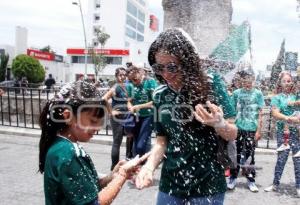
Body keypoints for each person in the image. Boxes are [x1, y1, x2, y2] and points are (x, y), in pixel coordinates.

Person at [135, 28, 237, 205]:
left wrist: (219, 124)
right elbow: (161, 140)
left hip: (208, 184)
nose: (166, 74)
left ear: (187, 63)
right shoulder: (160, 95)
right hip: (171, 184)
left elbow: (233, 133)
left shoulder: (212, 84)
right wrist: (149, 167)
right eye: (159, 68)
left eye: (172, 66)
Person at [38, 80, 149, 205]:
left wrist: (112, 176)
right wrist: (122, 175)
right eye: (92, 121)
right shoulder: (68, 153)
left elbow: (88, 189)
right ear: (68, 116)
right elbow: (95, 203)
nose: (98, 128)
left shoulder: (60, 145)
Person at [227, 70, 265, 192]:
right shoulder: (236, 93)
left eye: (249, 80)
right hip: (238, 128)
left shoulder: (258, 94)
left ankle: (250, 179)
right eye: (244, 80)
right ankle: (233, 177)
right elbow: (231, 111)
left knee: (250, 155)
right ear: (241, 81)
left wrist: (259, 130)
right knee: (235, 155)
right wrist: (230, 126)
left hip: (251, 128)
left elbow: (260, 113)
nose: (247, 83)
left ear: (253, 80)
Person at [264, 71, 300, 197]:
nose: (287, 83)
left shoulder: (297, 96)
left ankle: (299, 186)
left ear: (292, 82)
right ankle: (275, 184)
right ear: (280, 83)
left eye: (289, 81)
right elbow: (275, 113)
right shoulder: (277, 97)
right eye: (284, 81)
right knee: (281, 159)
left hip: (297, 133)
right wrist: (289, 119)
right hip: (283, 132)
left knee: (298, 160)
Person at [102, 67, 134, 170]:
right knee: (117, 142)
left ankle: (128, 164)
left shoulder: (128, 86)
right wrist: (111, 111)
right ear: (116, 76)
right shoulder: (115, 87)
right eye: (120, 75)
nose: (123, 76)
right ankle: (114, 167)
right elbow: (104, 99)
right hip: (117, 118)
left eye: (124, 74)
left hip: (128, 116)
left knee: (130, 139)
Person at [126, 65, 158, 157]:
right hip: (136, 117)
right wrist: (130, 107)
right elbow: (128, 101)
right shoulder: (130, 85)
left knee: (141, 145)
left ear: (139, 72)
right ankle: (138, 166)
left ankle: (145, 162)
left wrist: (138, 106)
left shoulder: (150, 82)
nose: (133, 82)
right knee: (136, 144)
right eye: (131, 80)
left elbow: (154, 102)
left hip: (149, 116)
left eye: (135, 79)